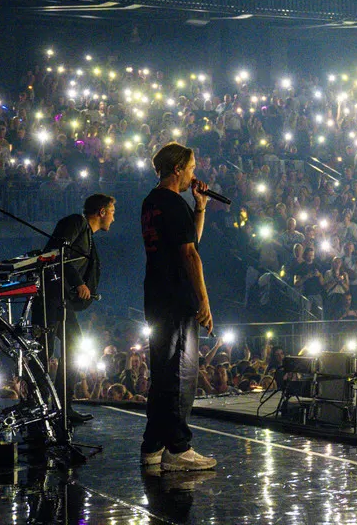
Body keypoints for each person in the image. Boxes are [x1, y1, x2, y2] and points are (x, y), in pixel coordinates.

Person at [139, 143, 217, 472]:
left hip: (156, 295)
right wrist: (204, 301)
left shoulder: (152, 202)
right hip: (177, 297)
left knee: (162, 372)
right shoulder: (172, 203)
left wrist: (199, 207)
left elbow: (189, 241)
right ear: (177, 170)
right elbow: (190, 255)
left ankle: (153, 445)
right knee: (181, 375)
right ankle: (178, 447)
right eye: (191, 167)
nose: (193, 174)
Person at [36, 192, 115, 425]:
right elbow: (58, 253)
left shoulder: (88, 235)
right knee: (44, 352)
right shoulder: (76, 222)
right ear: (101, 212)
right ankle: (39, 407)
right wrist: (78, 282)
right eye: (112, 212)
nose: (113, 218)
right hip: (50, 298)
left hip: (62, 300)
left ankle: (63, 406)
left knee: (73, 347)